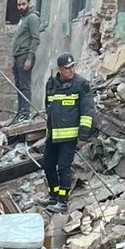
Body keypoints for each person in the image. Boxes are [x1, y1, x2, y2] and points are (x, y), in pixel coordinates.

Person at [43, 52, 95, 210]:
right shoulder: (51, 84)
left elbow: (87, 112)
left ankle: (63, 201)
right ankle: (53, 196)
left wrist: (83, 135)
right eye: (67, 68)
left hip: (70, 136)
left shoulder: (81, 84)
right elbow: (48, 106)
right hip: (53, 134)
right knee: (48, 165)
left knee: (63, 168)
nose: (71, 70)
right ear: (59, 69)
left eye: (73, 66)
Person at [10, 0, 41, 121]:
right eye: (19, 5)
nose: (21, 7)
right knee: (18, 86)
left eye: (23, 4)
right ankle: (20, 111)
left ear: (28, 3)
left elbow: (35, 39)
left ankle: (25, 112)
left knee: (24, 85)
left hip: (25, 56)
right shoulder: (23, 19)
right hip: (18, 56)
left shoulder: (32, 18)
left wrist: (29, 58)